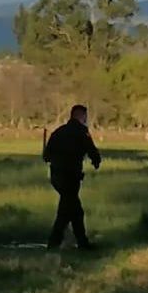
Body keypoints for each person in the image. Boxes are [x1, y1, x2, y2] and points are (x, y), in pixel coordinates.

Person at [43, 104, 101, 251]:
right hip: (71, 177)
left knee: (72, 209)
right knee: (68, 211)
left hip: (56, 177)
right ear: (80, 116)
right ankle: (55, 243)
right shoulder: (82, 132)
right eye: (85, 116)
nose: (86, 119)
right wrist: (96, 161)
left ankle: (80, 242)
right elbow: (91, 150)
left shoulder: (58, 132)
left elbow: (46, 155)